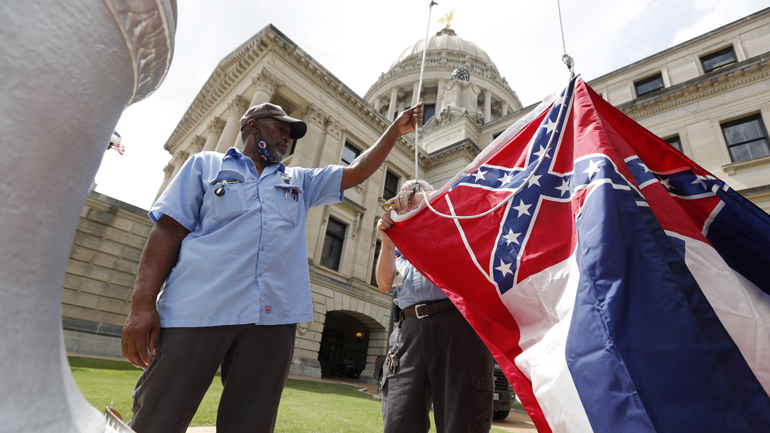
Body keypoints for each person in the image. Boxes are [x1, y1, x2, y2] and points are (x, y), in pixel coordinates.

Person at [122, 101, 422, 433]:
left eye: (290, 134)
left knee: (251, 423)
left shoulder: (299, 181)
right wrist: (142, 305)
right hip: (198, 310)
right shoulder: (205, 166)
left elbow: (357, 171)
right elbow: (167, 232)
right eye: (281, 128)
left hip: (273, 319)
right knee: (159, 416)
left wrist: (394, 131)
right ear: (253, 125)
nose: (287, 139)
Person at [376, 180, 495, 433]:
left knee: (462, 422)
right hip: (408, 332)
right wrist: (388, 243)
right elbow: (385, 284)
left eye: (415, 191)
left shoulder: (455, 222)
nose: (405, 197)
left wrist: (428, 206)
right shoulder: (399, 247)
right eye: (402, 195)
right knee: (399, 421)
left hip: (457, 327)